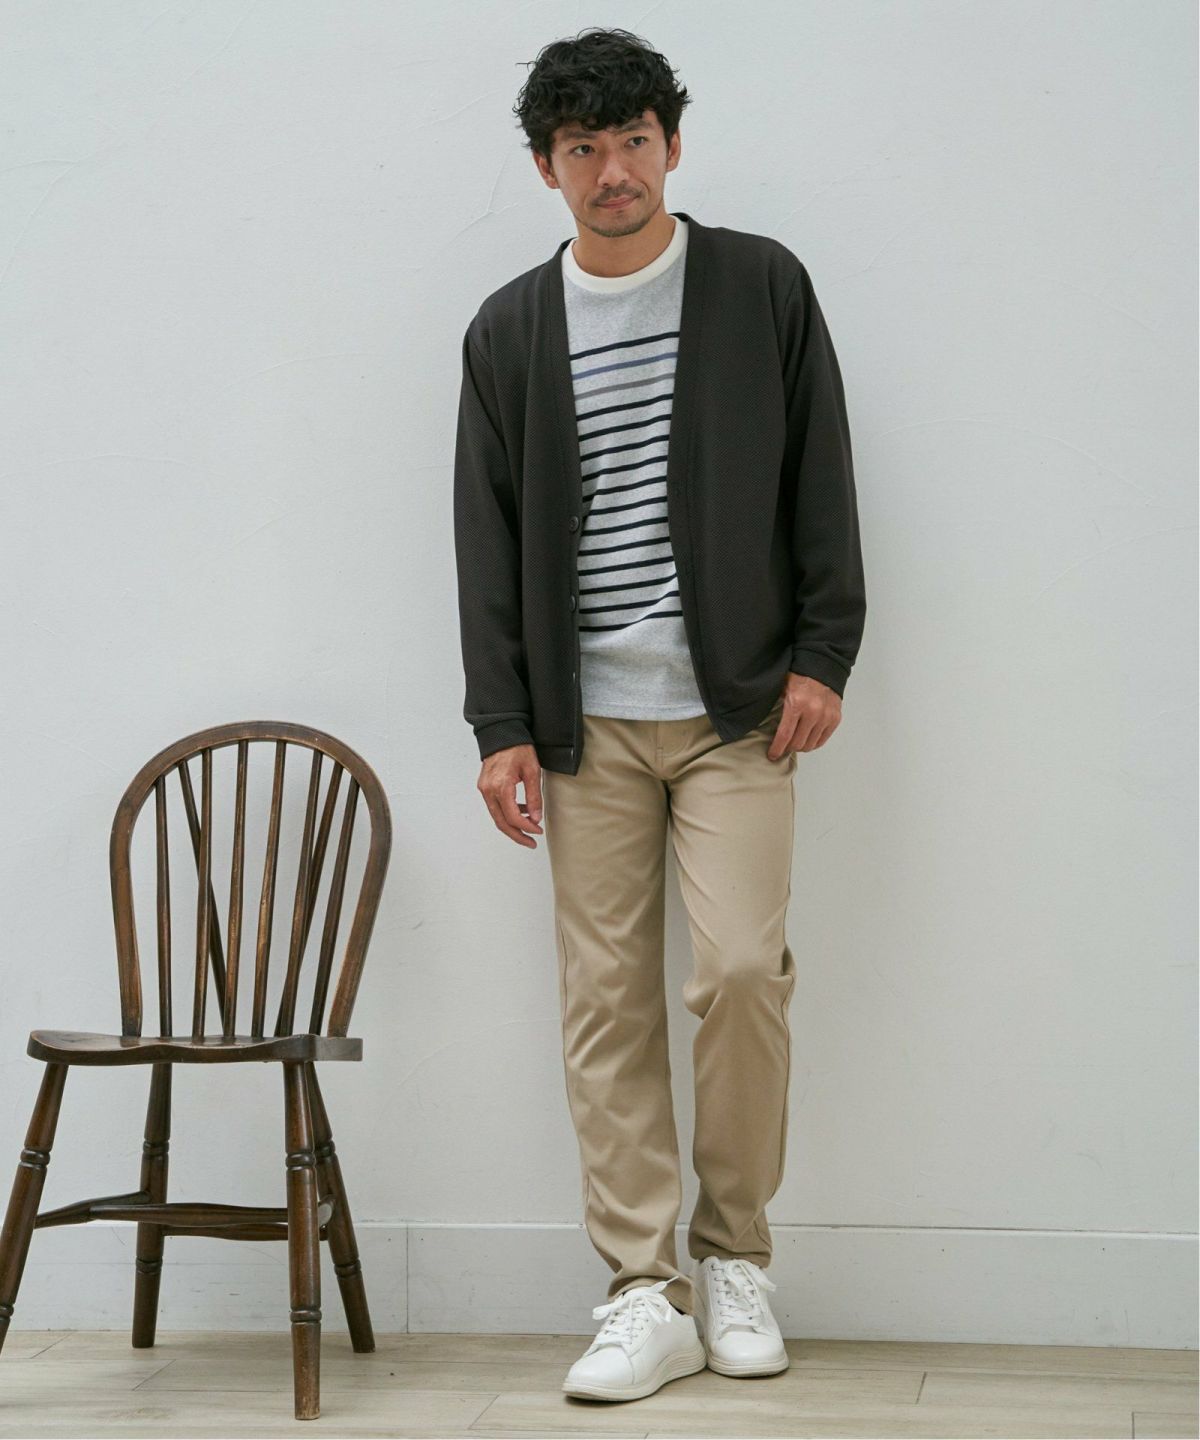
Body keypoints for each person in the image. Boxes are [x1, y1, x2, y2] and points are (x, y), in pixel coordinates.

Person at [452, 26, 866, 1404]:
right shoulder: (511, 330)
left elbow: (822, 474)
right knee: (604, 1002)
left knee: (741, 972)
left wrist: (825, 650)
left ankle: (734, 1255)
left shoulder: (760, 287)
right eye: (584, 149)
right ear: (547, 168)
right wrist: (500, 723)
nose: (613, 170)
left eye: (634, 140)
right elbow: (484, 536)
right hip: (585, 725)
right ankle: (644, 1288)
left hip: (738, 707)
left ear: (672, 145)